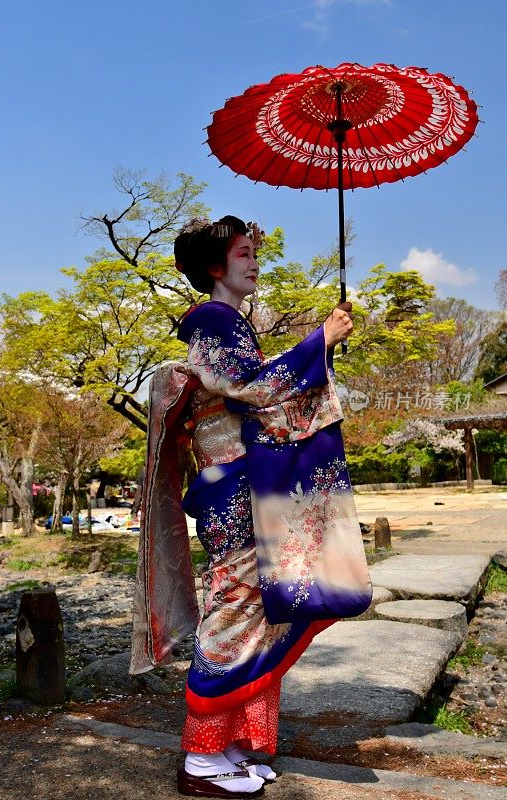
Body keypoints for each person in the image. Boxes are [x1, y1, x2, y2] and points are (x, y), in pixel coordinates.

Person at [130, 216, 373, 799]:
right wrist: (320, 342)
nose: (254, 262)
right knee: (234, 609)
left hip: (245, 481)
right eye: (244, 253)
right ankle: (201, 755)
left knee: (264, 612)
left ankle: (239, 742)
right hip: (235, 487)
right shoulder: (214, 322)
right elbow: (255, 389)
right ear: (216, 267)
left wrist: (318, 348)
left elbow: (260, 386)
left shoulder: (236, 324)